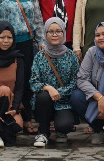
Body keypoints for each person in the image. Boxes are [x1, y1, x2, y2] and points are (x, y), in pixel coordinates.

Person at [29, 17, 80, 147]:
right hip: (44, 102)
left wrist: (59, 92)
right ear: (45, 34)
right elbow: (33, 82)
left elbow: (75, 81)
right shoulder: (40, 56)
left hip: (64, 102)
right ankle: (43, 132)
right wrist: (48, 88)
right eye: (50, 31)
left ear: (63, 33)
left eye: (58, 31)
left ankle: (60, 130)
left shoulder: (71, 55)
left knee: (64, 125)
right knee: (43, 96)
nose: (55, 34)